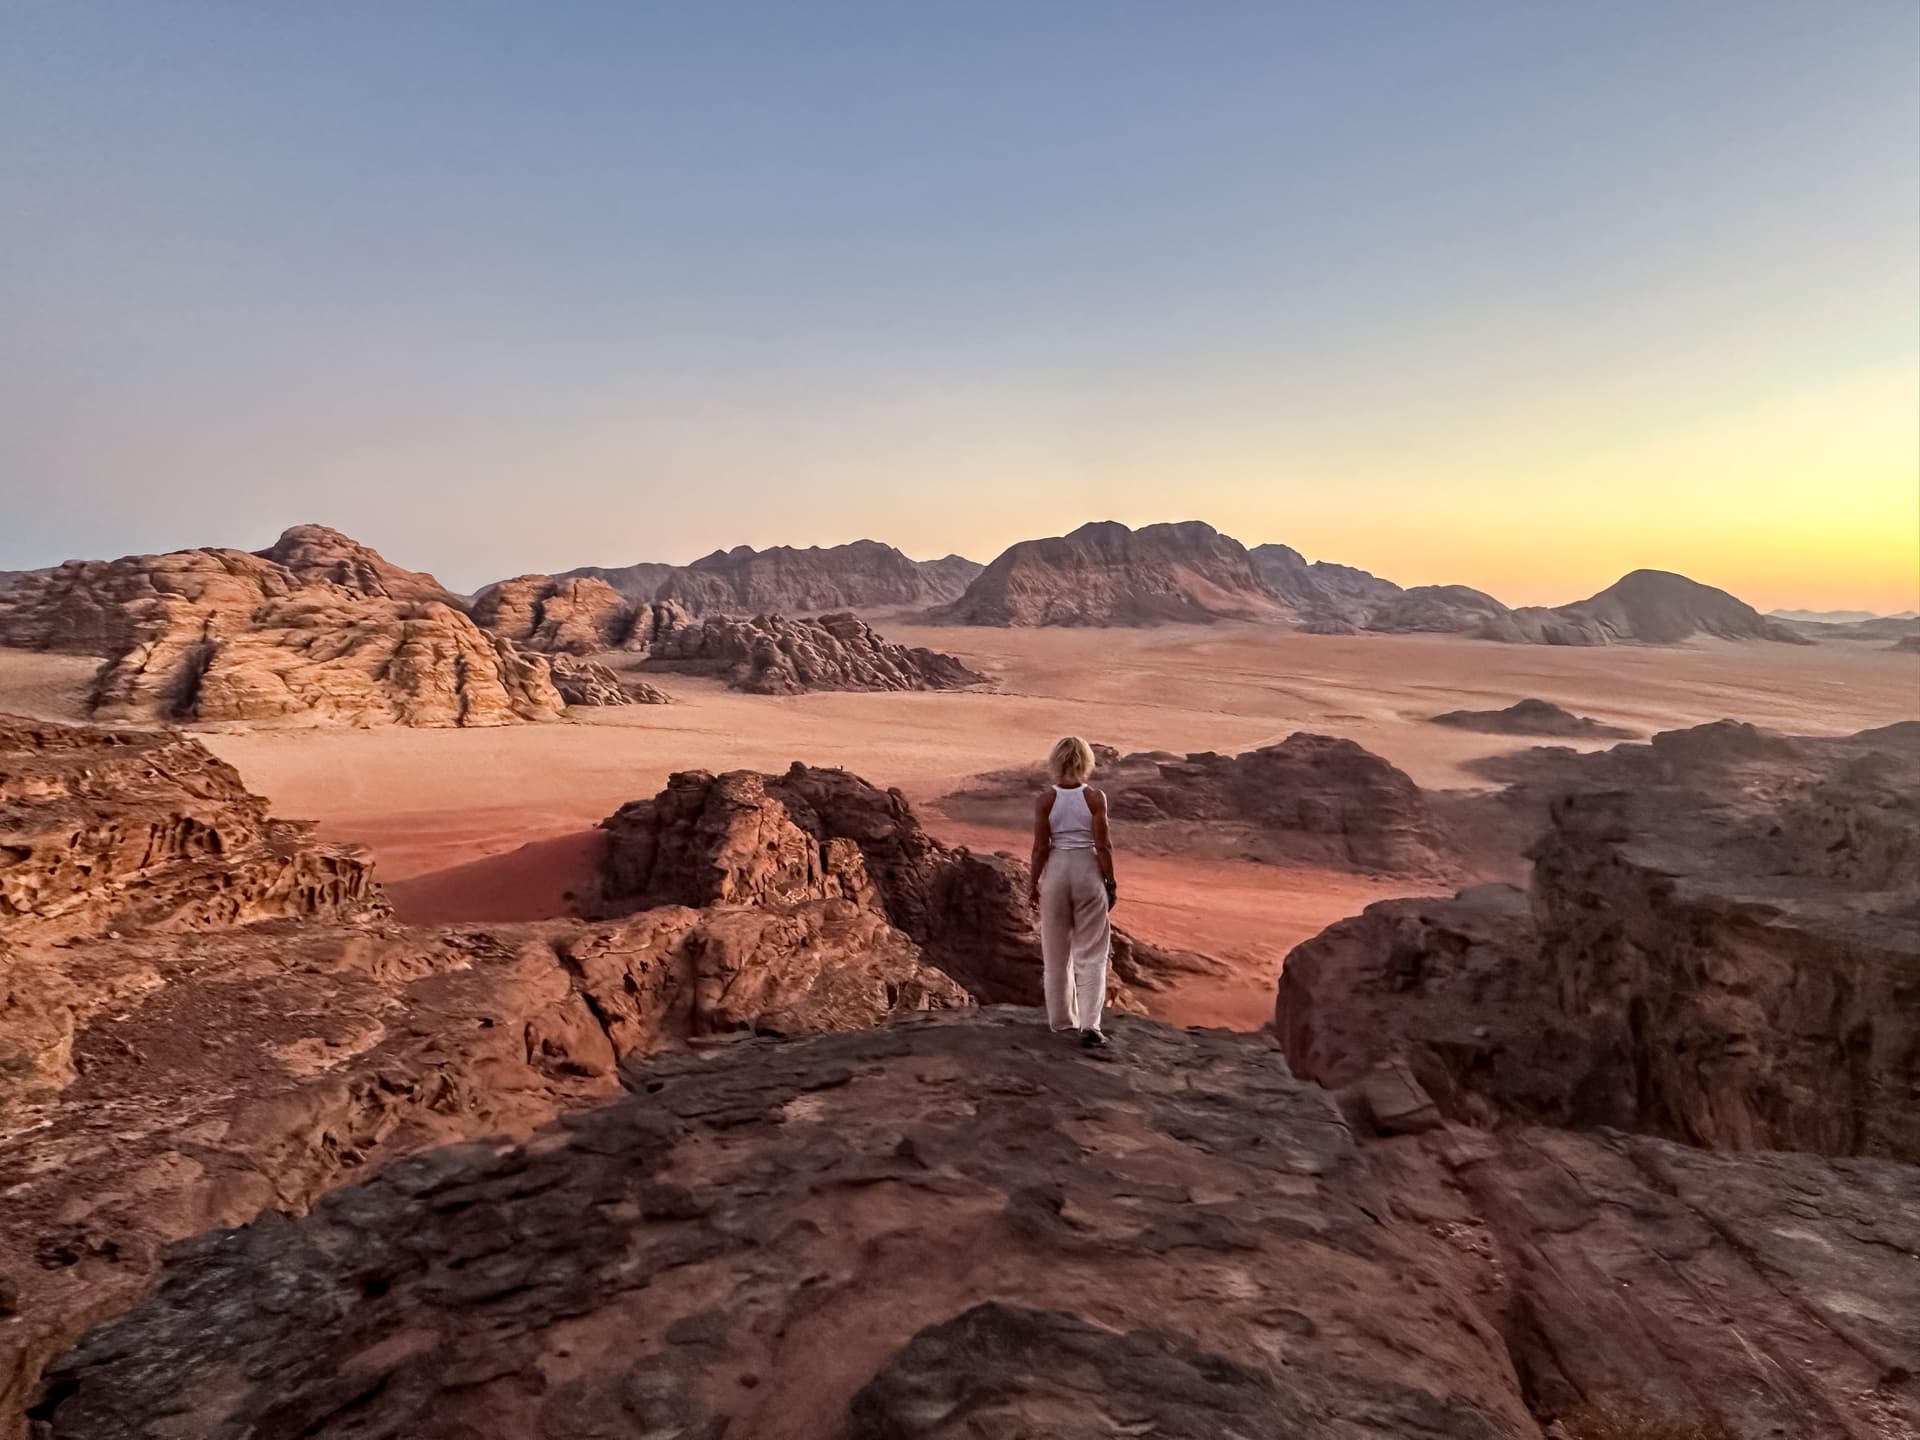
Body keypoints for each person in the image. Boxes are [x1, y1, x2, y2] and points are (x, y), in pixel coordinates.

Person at [1027, 735, 1116, 1047]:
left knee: (1055, 954)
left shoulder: (1045, 800)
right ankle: (1090, 1024)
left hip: (1056, 872)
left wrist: (1032, 884)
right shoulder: (1094, 798)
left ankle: (1062, 1021)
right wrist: (1111, 881)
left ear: (1056, 761)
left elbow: (1040, 848)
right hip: (1087, 871)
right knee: (1091, 953)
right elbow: (1103, 845)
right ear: (1085, 762)